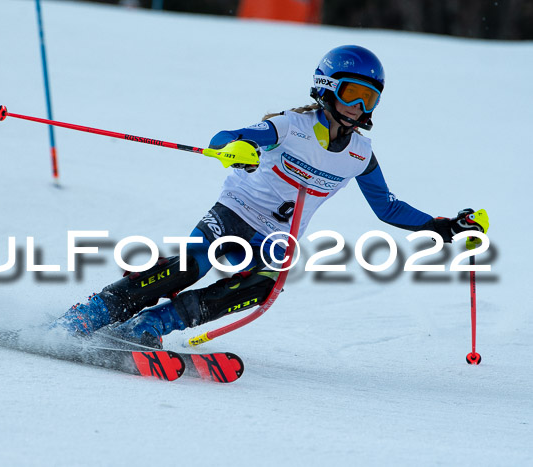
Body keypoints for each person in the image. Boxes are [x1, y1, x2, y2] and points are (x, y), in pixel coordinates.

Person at [50, 45, 485, 348]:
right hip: (237, 212)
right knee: (189, 267)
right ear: (327, 86)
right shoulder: (289, 126)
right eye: (352, 93)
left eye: (369, 98)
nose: (359, 107)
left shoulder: (359, 154)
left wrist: (444, 227)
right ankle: (89, 316)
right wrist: (237, 151)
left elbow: (387, 206)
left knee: (259, 288)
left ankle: (151, 327)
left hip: (276, 238)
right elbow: (229, 136)